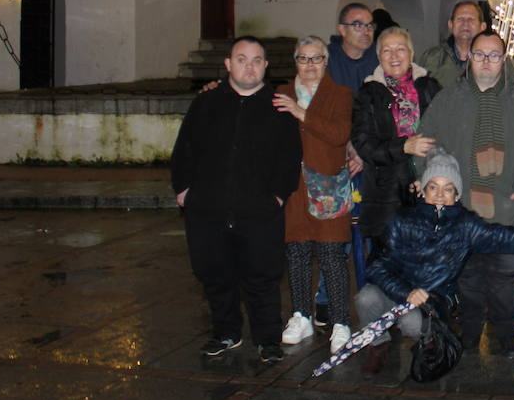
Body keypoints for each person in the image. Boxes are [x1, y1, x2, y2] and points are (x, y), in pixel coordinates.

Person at [416, 30, 514, 354]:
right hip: (463, 208)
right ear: (469, 58)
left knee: (505, 276)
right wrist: (434, 190)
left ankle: (505, 331)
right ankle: (471, 330)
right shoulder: (448, 100)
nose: (486, 61)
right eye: (480, 55)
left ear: (503, 60)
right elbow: (426, 146)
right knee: (468, 275)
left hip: (508, 209)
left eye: (493, 55)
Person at [171, 37, 302, 363]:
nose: (249, 66)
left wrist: (275, 196)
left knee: (262, 278)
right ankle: (225, 333)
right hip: (208, 209)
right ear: (228, 64)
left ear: (266, 66)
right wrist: (184, 192)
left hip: (258, 212)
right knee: (216, 276)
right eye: (242, 59)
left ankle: (267, 338)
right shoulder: (206, 103)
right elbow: (184, 149)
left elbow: (289, 158)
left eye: (257, 60)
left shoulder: (278, 107)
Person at [356, 151, 514, 376]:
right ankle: (378, 345)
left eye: (448, 188)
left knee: (411, 321)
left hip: (431, 300)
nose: (440, 195)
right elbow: (376, 265)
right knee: (366, 298)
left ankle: (430, 341)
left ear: (457, 194)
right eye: (433, 187)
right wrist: (406, 291)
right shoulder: (402, 220)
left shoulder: (465, 225)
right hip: (399, 289)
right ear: (423, 190)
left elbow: (507, 237)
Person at [273, 35, 359, 355]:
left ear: (326, 62)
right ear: (295, 62)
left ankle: (340, 320)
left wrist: (301, 112)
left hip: (327, 187)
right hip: (294, 187)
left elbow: (339, 135)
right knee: (295, 253)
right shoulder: (280, 94)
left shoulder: (340, 94)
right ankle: (301, 315)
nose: (310, 66)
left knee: (331, 255)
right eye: (303, 59)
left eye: (316, 59)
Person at [352, 27, 443, 242]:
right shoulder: (368, 93)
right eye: (386, 50)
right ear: (378, 57)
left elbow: (448, 134)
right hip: (385, 197)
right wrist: (403, 147)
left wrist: (432, 172)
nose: (394, 56)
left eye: (400, 49)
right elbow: (363, 144)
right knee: (388, 268)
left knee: (427, 267)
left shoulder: (430, 87)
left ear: (411, 53)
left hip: (429, 191)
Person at [419, 0, 492, 88]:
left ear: (482, 27)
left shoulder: (496, 60)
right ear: (450, 25)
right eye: (460, 19)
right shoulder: (432, 57)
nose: (465, 23)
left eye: (471, 19)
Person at [329, 2, 380, 92]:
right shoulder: (326, 59)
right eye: (358, 25)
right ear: (342, 30)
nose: (366, 31)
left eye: (370, 25)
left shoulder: (381, 56)